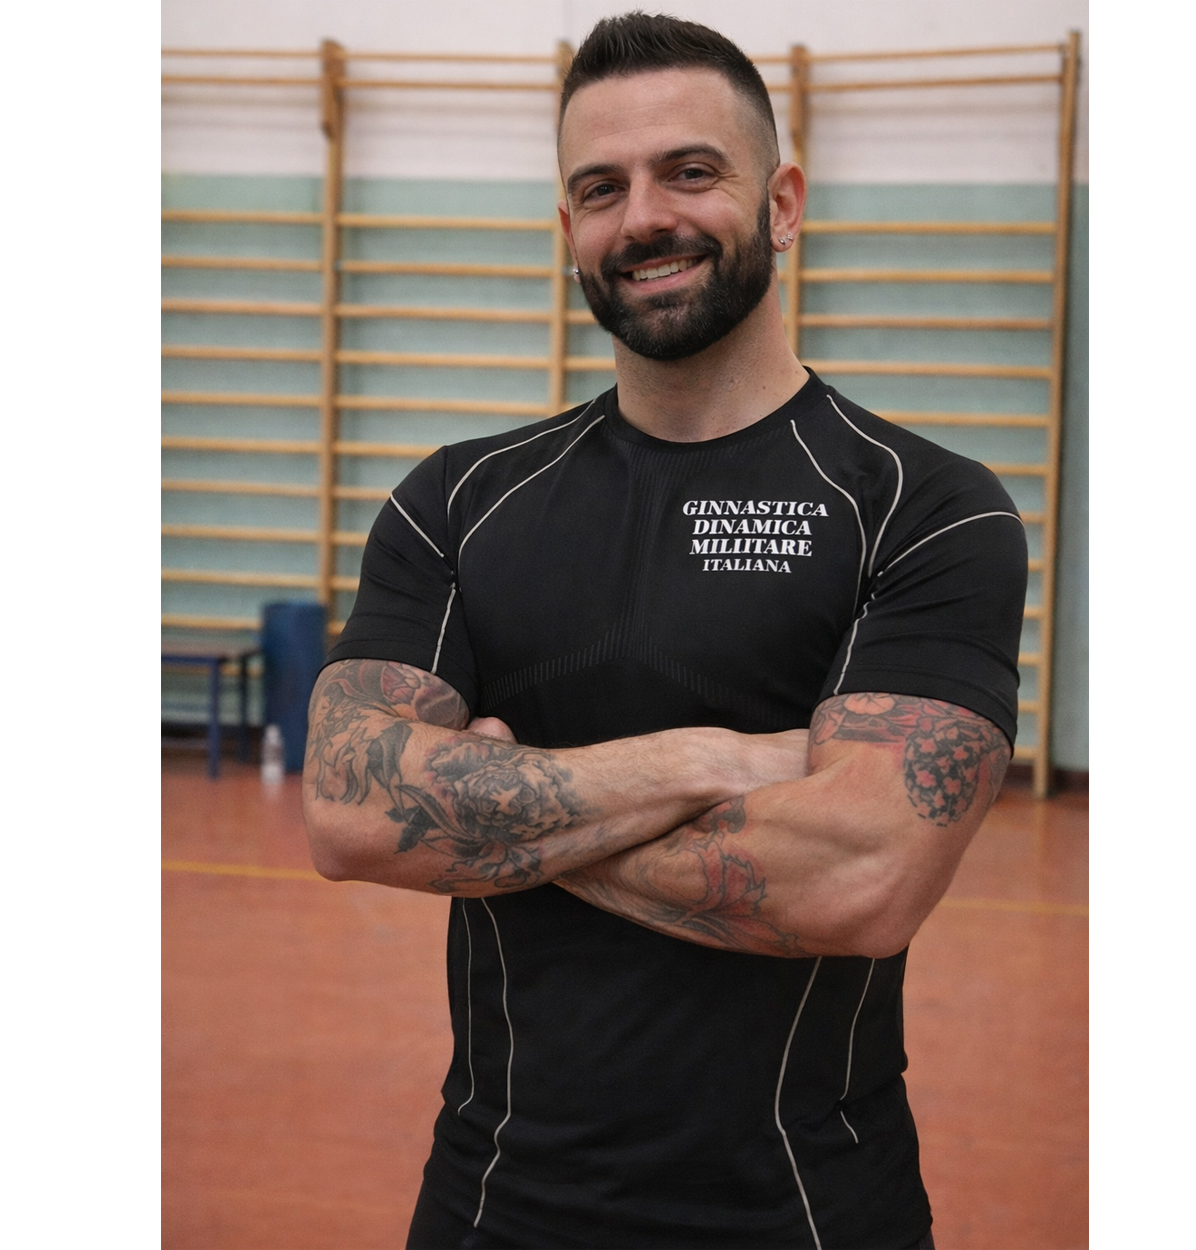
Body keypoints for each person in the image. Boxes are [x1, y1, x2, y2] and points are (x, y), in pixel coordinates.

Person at [302, 13, 1027, 1250]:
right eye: (601, 187)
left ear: (781, 203)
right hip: (494, 1203)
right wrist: (706, 760)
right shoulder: (459, 502)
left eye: (689, 172)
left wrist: (490, 814)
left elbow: (859, 879)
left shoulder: (925, 508)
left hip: (808, 1209)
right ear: (568, 226)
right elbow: (345, 807)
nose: (642, 217)